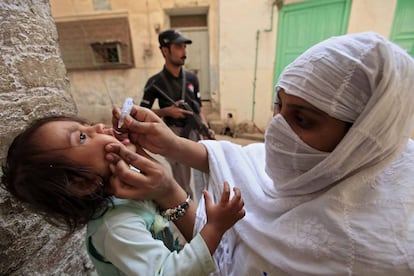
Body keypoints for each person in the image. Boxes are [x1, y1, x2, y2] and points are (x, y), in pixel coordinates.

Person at [109, 32, 414, 275]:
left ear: (362, 135)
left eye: (302, 119)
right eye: (278, 106)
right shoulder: (314, 164)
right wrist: (169, 146)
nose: (276, 131)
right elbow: (243, 161)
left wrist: (170, 186)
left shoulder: (367, 255)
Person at [1, 115, 245, 275]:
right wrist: (214, 228)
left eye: (84, 125)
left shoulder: (127, 194)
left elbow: (159, 195)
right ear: (82, 183)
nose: (97, 126)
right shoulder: (115, 227)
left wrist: (135, 147)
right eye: (83, 137)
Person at [140, 28, 214, 199]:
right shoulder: (154, 83)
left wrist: (205, 128)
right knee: (182, 181)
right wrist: (167, 111)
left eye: (185, 47)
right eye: (179, 47)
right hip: (173, 132)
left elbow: (199, 107)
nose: (184, 52)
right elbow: (142, 112)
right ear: (165, 51)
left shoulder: (191, 78)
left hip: (194, 130)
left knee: (205, 172)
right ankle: (190, 212)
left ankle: (206, 205)